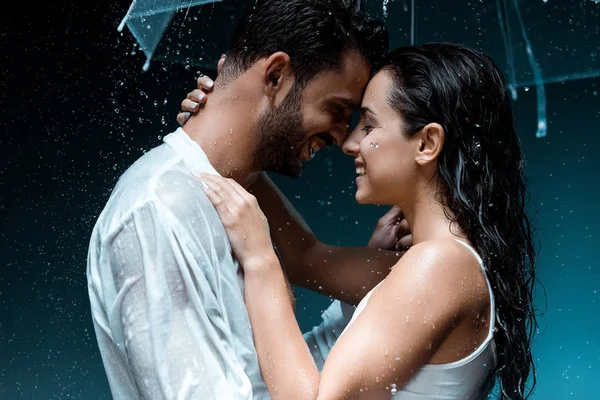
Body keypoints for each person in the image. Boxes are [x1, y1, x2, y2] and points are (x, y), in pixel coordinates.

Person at [86, 1, 403, 399]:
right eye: (337, 109)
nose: (344, 138)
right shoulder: (157, 209)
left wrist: (376, 291)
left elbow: (264, 384)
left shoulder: (231, 200)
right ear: (275, 75)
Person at [192, 43, 538, 399]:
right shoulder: (439, 264)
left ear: (427, 144)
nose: (350, 143)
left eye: (369, 125)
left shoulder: (440, 266)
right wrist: (228, 132)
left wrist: (260, 260)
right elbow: (304, 258)